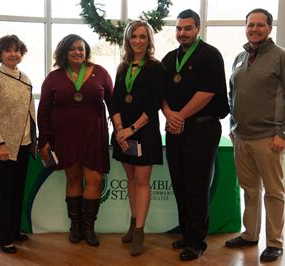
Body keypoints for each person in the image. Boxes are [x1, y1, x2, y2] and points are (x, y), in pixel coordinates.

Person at [224, 8, 285, 263]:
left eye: (260, 25)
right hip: (242, 137)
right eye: (250, 25)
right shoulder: (240, 57)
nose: (254, 29)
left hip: (269, 138)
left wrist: (284, 134)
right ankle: (249, 234)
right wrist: (233, 124)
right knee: (249, 189)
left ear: (269, 28)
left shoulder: (283, 58)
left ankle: (274, 242)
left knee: (273, 192)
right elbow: (232, 93)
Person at [161, 9, 230, 261]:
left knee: (197, 185)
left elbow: (208, 92)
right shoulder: (169, 59)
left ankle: (197, 241)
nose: (182, 33)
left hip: (202, 128)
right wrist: (170, 115)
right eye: (178, 29)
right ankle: (186, 233)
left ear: (197, 29)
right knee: (179, 183)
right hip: (175, 128)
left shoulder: (210, 55)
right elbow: (161, 95)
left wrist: (180, 116)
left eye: (187, 28)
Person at [37, 34, 113, 247]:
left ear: (86, 51)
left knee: (95, 179)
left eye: (81, 48)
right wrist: (44, 140)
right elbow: (43, 110)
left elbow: (114, 104)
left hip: (94, 135)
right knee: (73, 179)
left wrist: (121, 129)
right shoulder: (54, 77)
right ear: (64, 53)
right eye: (72, 49)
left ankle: (89, 227)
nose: (77, 52)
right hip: (65, 136)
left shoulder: (101, 73)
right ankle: (76, 226)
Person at [109, 21, 164, 256]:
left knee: (142, 180)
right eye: (134, 36)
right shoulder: (122, 67)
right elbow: (115, 100)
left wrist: (130, 129)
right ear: (128, 39)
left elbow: (154, 105)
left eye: (143, 36)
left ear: (149, 40)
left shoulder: (155, 67)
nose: (138, 41)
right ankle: (133, 223)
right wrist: (120, 129)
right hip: (123, 133)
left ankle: (140, 231)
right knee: (130, 178)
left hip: (144, 132)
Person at [0, 35, 36, 254]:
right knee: (3, 194)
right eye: (8, 50)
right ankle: (2, 238)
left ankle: (13, 231)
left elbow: (29, 112)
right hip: (2, 146)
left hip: (23, 143)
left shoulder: (25, 78)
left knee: (16, 191)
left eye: (17, 50)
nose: (13, 54)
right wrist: (0, 143)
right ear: (0, 54)